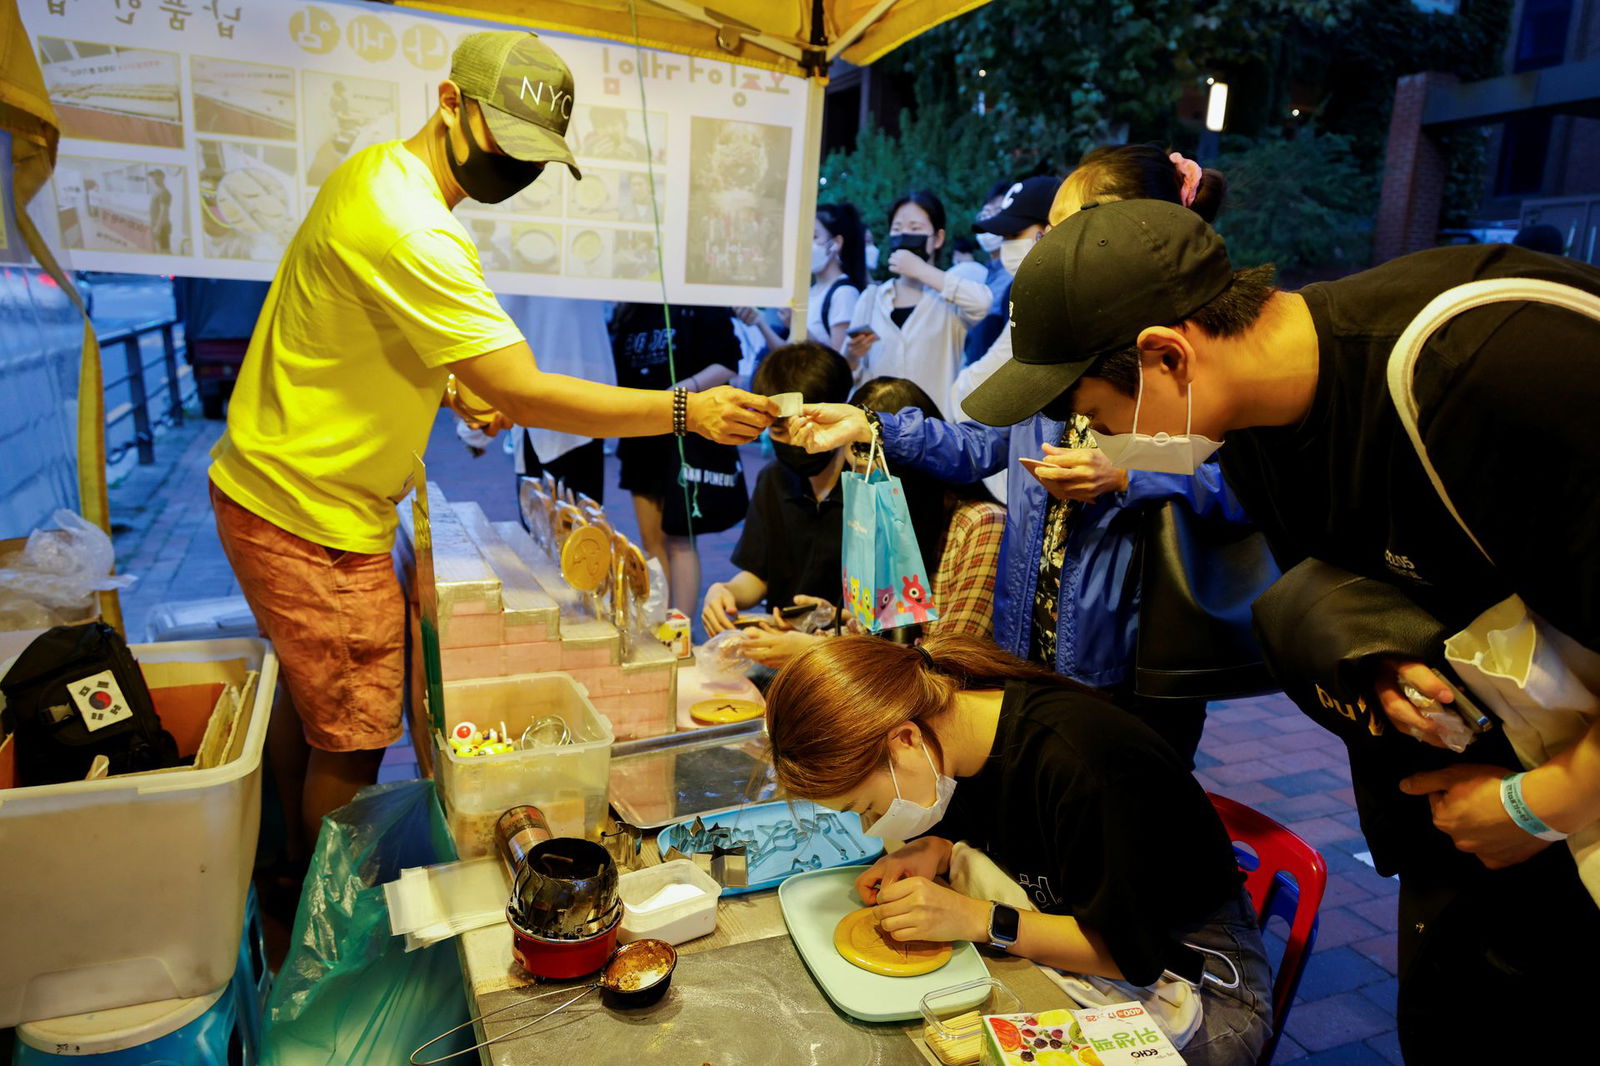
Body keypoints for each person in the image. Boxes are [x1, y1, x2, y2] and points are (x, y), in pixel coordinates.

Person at [967, 195, 1600, 1059]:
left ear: (1166, 355)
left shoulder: (1486, 365)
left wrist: (1540, 806)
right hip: (1473, 835)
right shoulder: (1255, 428)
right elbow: (1345, 582)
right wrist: (1380, 661)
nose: (1102, 438)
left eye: (1097, 413)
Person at [208, 30, 773, 866]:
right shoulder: (413, 226)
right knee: (355, 735)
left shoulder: (373, 174)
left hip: (278, 489)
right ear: (449, 102)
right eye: (507, 143)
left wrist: (447, 385)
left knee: (316, 704)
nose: (516, 167)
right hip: (311, 516)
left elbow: (355, 332)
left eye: (534, 155)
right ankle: (327, 912)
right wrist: (686, 409)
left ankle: (290, 872)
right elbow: (523, 391)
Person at [795, 146, 1242, 766]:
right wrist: (871, 424)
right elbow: (979, 443)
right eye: (1045, 232)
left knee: (1128, 793)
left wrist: (1125, 475)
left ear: (1127, 228)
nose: (1044, 246)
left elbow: (1241, 490)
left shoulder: (1188, 352)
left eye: (1060, 229)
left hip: (1135, 662)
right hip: (1027, 646)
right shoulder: (1054, 332)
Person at [764, 635, 1272, 1066]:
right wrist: (936, 848)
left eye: (866, 806)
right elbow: (1007, 829)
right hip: (1074, 924)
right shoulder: (955, 732)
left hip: (1202, 983)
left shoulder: (1084, 765)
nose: (872, 826)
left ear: (904, 740)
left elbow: (1131, 957)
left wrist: (978, 919)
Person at [740, 376, 1006, 669]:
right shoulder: (884, 514)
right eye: (854, 459)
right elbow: (882, 633)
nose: (863, 476)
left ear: (910, 454)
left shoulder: (981, 525)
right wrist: (832, 620)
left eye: (869, 456)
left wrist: (817, 650)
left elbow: (948, 666)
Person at [702, 343, 854, 636]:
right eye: (779, 431)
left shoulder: (868, 488)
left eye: (803, 428)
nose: (794, 442)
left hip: (849, 650)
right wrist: (725, 591)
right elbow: (758, 575)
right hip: (781, 641)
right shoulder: (774, 479)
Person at [611, 301, 746, 614]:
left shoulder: (697, 301)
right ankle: (659, 621)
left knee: (680, 539)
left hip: (683, 437)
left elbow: (727, 363)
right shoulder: (629, 309)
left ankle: (681, 628)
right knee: (650, 540)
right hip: (639, 436)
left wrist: (676, 396)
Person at [950, 174, 1064, 501]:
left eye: (1015, 234)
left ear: (1051, 230)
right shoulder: (1023, 293)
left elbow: (985, 380)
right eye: (1004, 237)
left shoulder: (1053, 301)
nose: (1006, 247)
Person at [845, 190, 992, 404]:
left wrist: (921, 270)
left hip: (935, 422)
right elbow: (851, 371)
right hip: (877, 420)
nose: (905, 234)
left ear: (938, 238)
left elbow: (983, 303)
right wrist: (852, 357)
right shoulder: (871, 298)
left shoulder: (950, 299)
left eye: (915, 228)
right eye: (897, 229)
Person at [503, 295, 613, 505]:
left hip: (555, 401)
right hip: (579, 398)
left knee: (576, 515)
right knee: (578, 513)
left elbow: (499, 320)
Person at [962, 179, 1018, 368]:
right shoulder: (986, 274)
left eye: (997, 212)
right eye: (985, 213)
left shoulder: (1014, 273)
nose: (989, 220)